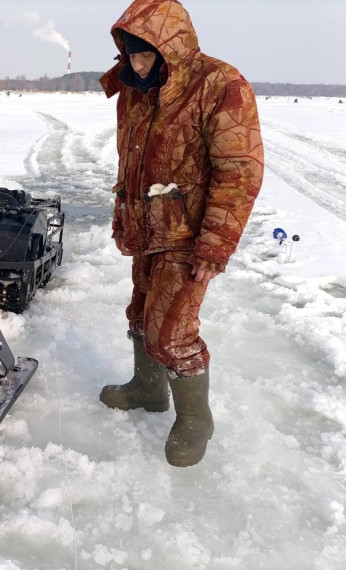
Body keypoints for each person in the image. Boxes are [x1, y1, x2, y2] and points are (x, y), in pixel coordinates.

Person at [98, 0, 264, 467]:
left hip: (190, 235)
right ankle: (149, 390)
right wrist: (124, 214)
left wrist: (215, 242)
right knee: (140, 313)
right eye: (131, 54)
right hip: (149, 227)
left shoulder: (220, 85)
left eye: (147, 53)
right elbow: (130, 161)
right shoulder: (134, 89)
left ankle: (196, 420)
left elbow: (239, 172)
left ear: (172, 46)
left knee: (171, 331)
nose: (138, 63)